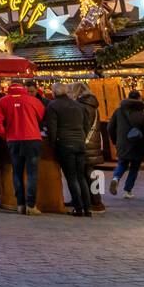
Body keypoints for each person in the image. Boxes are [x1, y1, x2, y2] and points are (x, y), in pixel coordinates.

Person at [0, 82, 46, 215]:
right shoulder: (33, 100)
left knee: (17, 172)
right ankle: (31, 206)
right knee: (32, 173)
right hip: (32, 139)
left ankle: (20, 204)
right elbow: (41, 116)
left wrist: (5, 134)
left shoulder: (2, 101)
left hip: (13, 140)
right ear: (23, 89)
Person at [42, 84, 92, 218]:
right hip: (80, 143)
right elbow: (86, 125)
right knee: (81, 176)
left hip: (64, 143)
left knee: (71, 177)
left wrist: (53, 144)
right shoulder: (79, 105)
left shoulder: (53, 106)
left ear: (54, 92)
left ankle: (78, 208)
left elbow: (52, 128)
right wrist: (81, 137)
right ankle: (87, 208)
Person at [109, 90, 144, 199]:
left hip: (122, 143)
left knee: (122, 163)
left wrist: (115, 141)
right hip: (138, 145)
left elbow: (110, 127)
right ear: (139, 99)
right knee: (134, 168)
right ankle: (127, 191)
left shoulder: (118, 111)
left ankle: (116, 178)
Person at [74, 82, 106, 212]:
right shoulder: (92, 105)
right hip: (92, 143)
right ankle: (95, 201)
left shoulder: (84, 106)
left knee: (88, 173)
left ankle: (96, 202)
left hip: (86, 144)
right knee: (90, 172)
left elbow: (85, 127)